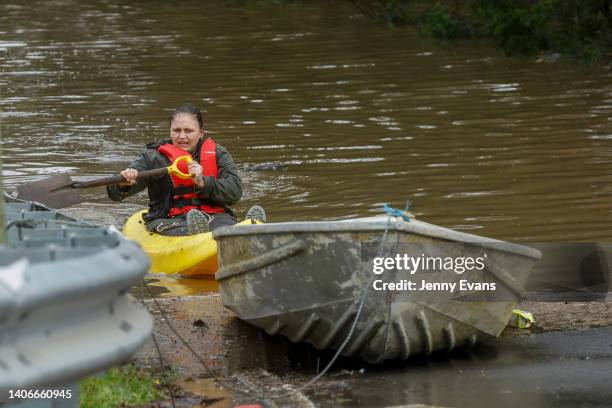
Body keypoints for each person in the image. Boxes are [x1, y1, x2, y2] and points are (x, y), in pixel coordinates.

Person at [107, 103, 265, 236]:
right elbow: (115, 194)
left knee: (222, 226)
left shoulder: (217, 153)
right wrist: (124, 183)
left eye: (188, 131)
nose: (182, 136)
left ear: (201, 133)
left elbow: (235, 193)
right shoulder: (153, 157)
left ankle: (250, 228)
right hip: (168, 220)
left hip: (215, 217)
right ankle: (200, 234)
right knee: (193, 229)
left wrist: (203, 182)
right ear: (170, 131)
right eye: (177, 130)